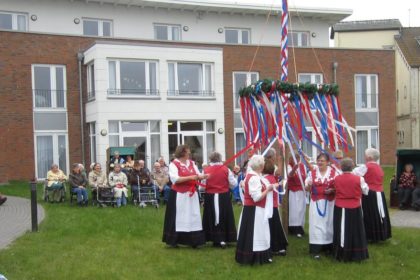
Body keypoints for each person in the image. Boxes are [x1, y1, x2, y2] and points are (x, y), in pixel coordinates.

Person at [162, 145, 208, 248]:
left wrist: (203, 176)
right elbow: (175, 179)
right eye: (187, 152)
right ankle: (174, 240)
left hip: (191, 194)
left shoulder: (191, 163)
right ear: (182, 153)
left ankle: (194, 241)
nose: (189, 154)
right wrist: (190, 177)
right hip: (179, 194)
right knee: (178, 217)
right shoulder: (174, 164)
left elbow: (198, 174)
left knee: (193, 215)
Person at [236, 155, 275, 265]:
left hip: (256, 210)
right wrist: (268, 189)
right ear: (261, 166)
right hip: (254, 210)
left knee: (259, 232)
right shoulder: (254, 178)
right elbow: (256, 197)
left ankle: (258, 255)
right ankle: (253, 257)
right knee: (256, 233)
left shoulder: (254, 176)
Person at [333, 158, 369, 262]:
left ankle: (340, 252)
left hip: (340, 207)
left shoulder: (336, 178)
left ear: (341, 167)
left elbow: (335, 189)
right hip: (354, 207)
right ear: (352, 167)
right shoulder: (359, 179)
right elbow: (366, 191)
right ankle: (356, 253)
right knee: (355, 230)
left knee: (341, 229)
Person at [353, 148, 392, 242]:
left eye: (365, 155)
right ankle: (379, 235)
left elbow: (353, 173)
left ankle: (369, 235)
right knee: (377, 214)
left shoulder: (366, 166)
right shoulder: (379, 167)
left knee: (368, 213)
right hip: (379, 193)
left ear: (369, 157)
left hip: (369, 193)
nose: (364, 157)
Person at [202, 151, 237, 248]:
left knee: (212, 216)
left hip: (210, 197)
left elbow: (202, 186)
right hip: (223, 197)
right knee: (223, 216)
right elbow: (234, 184)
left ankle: (213, 237)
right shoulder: (226, 169)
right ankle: (224, 238)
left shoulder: (206, 170)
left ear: (210, 159)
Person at [305, 153, 337, 259]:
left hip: (329, 203)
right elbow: (307, 188)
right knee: (316, 223)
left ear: (327, 162)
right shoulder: (312, 173)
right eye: (318, 160)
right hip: (316, 202)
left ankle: (328, 247)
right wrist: (309, 185)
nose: (320, 162)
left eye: (322, 161)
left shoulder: (334, 173)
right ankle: (316, 249)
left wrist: (332, 190)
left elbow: (338, 187)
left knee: (328, 223)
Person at [262, 160, 288, 256]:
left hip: (269, 206)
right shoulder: (272, 178)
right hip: (273, 206)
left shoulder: (265, 179)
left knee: (271, 227)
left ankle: (274, 247)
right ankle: (279, 247)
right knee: (275, 226)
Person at [287, 154, 307, 238]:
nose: (297, 159)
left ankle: (300, 227)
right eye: (294, 158)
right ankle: (294, 228)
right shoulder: (289, 166)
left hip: (301, 190)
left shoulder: (303, 166)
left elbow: (305, 177)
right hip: (293, 191)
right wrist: (294, 168)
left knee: (301, 209)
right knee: (294, 210)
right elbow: (289, 175)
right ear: (291, 158)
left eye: (298, 157)